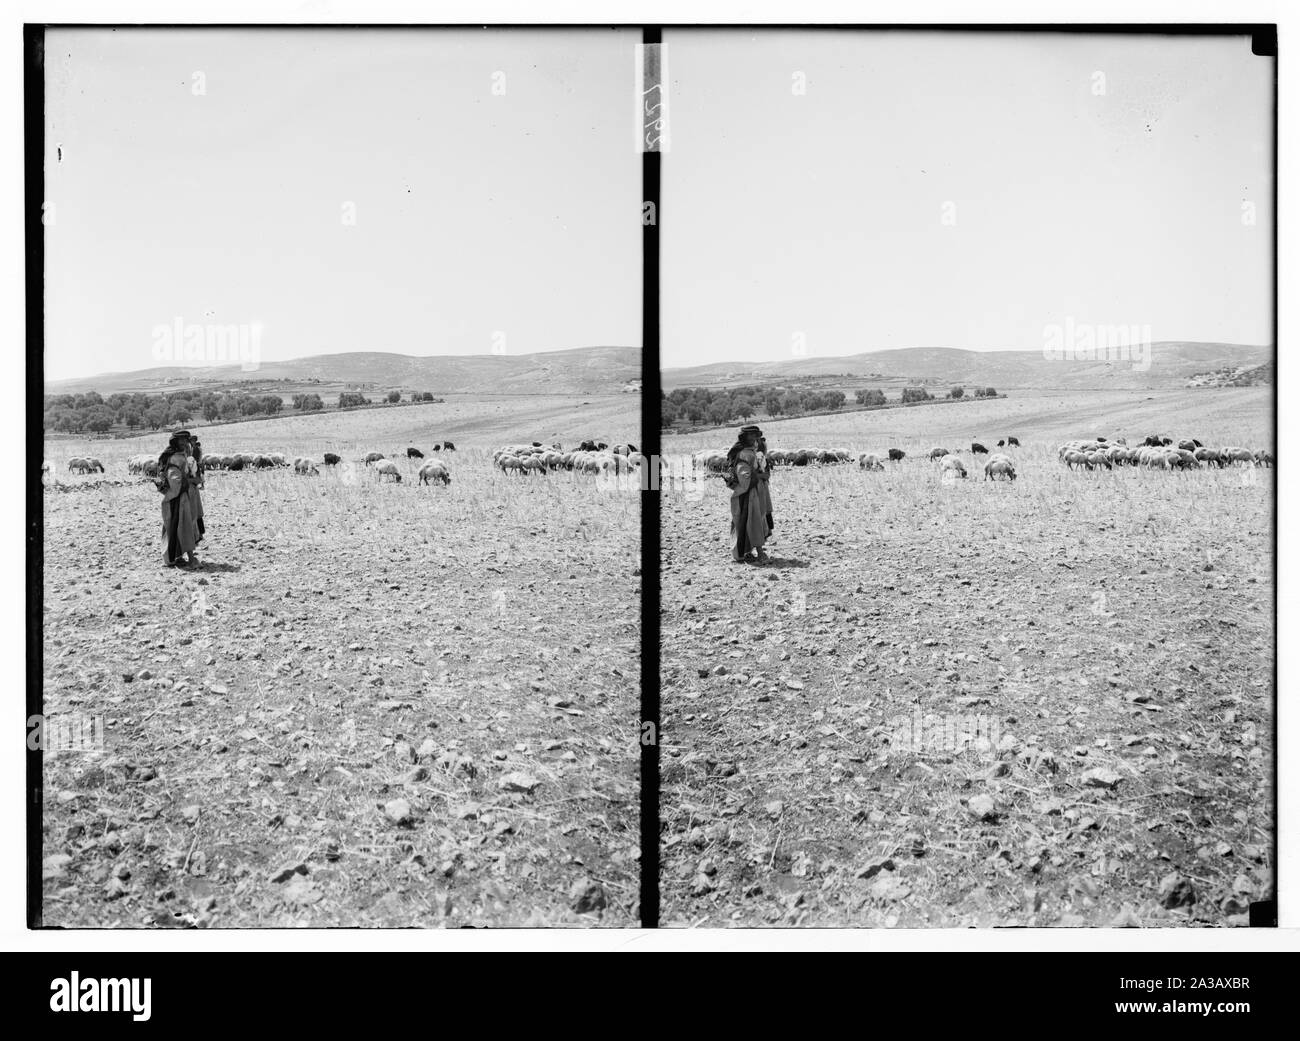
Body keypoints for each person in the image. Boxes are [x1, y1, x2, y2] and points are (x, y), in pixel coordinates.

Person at [726, 424, 774, 563]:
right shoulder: (744, 454)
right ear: (745, 437)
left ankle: (747, 551)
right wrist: (760, 476)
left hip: (756, 491)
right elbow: (744, 476)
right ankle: (760, 553)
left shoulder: (752, 452)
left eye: (756, 435)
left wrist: (763, 474)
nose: (755, 438)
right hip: (748, 494)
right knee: (754, 520)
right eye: (751, 435)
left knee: (755, 519)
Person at [158, 431, 200, 568]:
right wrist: (192, 480)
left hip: (185, 495)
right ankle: (192, 559)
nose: (184, 442)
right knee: (184, 525)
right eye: (180, 440)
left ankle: (177, 556)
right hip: (178, 498)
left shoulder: (184, 456)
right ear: (175, 442)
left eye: (185, 440)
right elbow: (175, 480)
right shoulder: (175, 458)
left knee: (182, 525)